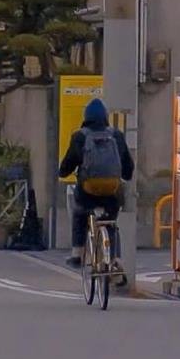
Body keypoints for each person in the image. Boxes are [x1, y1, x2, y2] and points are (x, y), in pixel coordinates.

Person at [58, 97, 133, 274]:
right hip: (112, 192)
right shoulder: (117, 135)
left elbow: (67, 165)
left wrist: (63, 172)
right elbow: (128, 167)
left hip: (87, 192)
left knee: (79, 212)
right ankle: (114, 259)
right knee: (111, 222)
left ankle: (77, 252)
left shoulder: (80, 136)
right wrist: (125, 176)